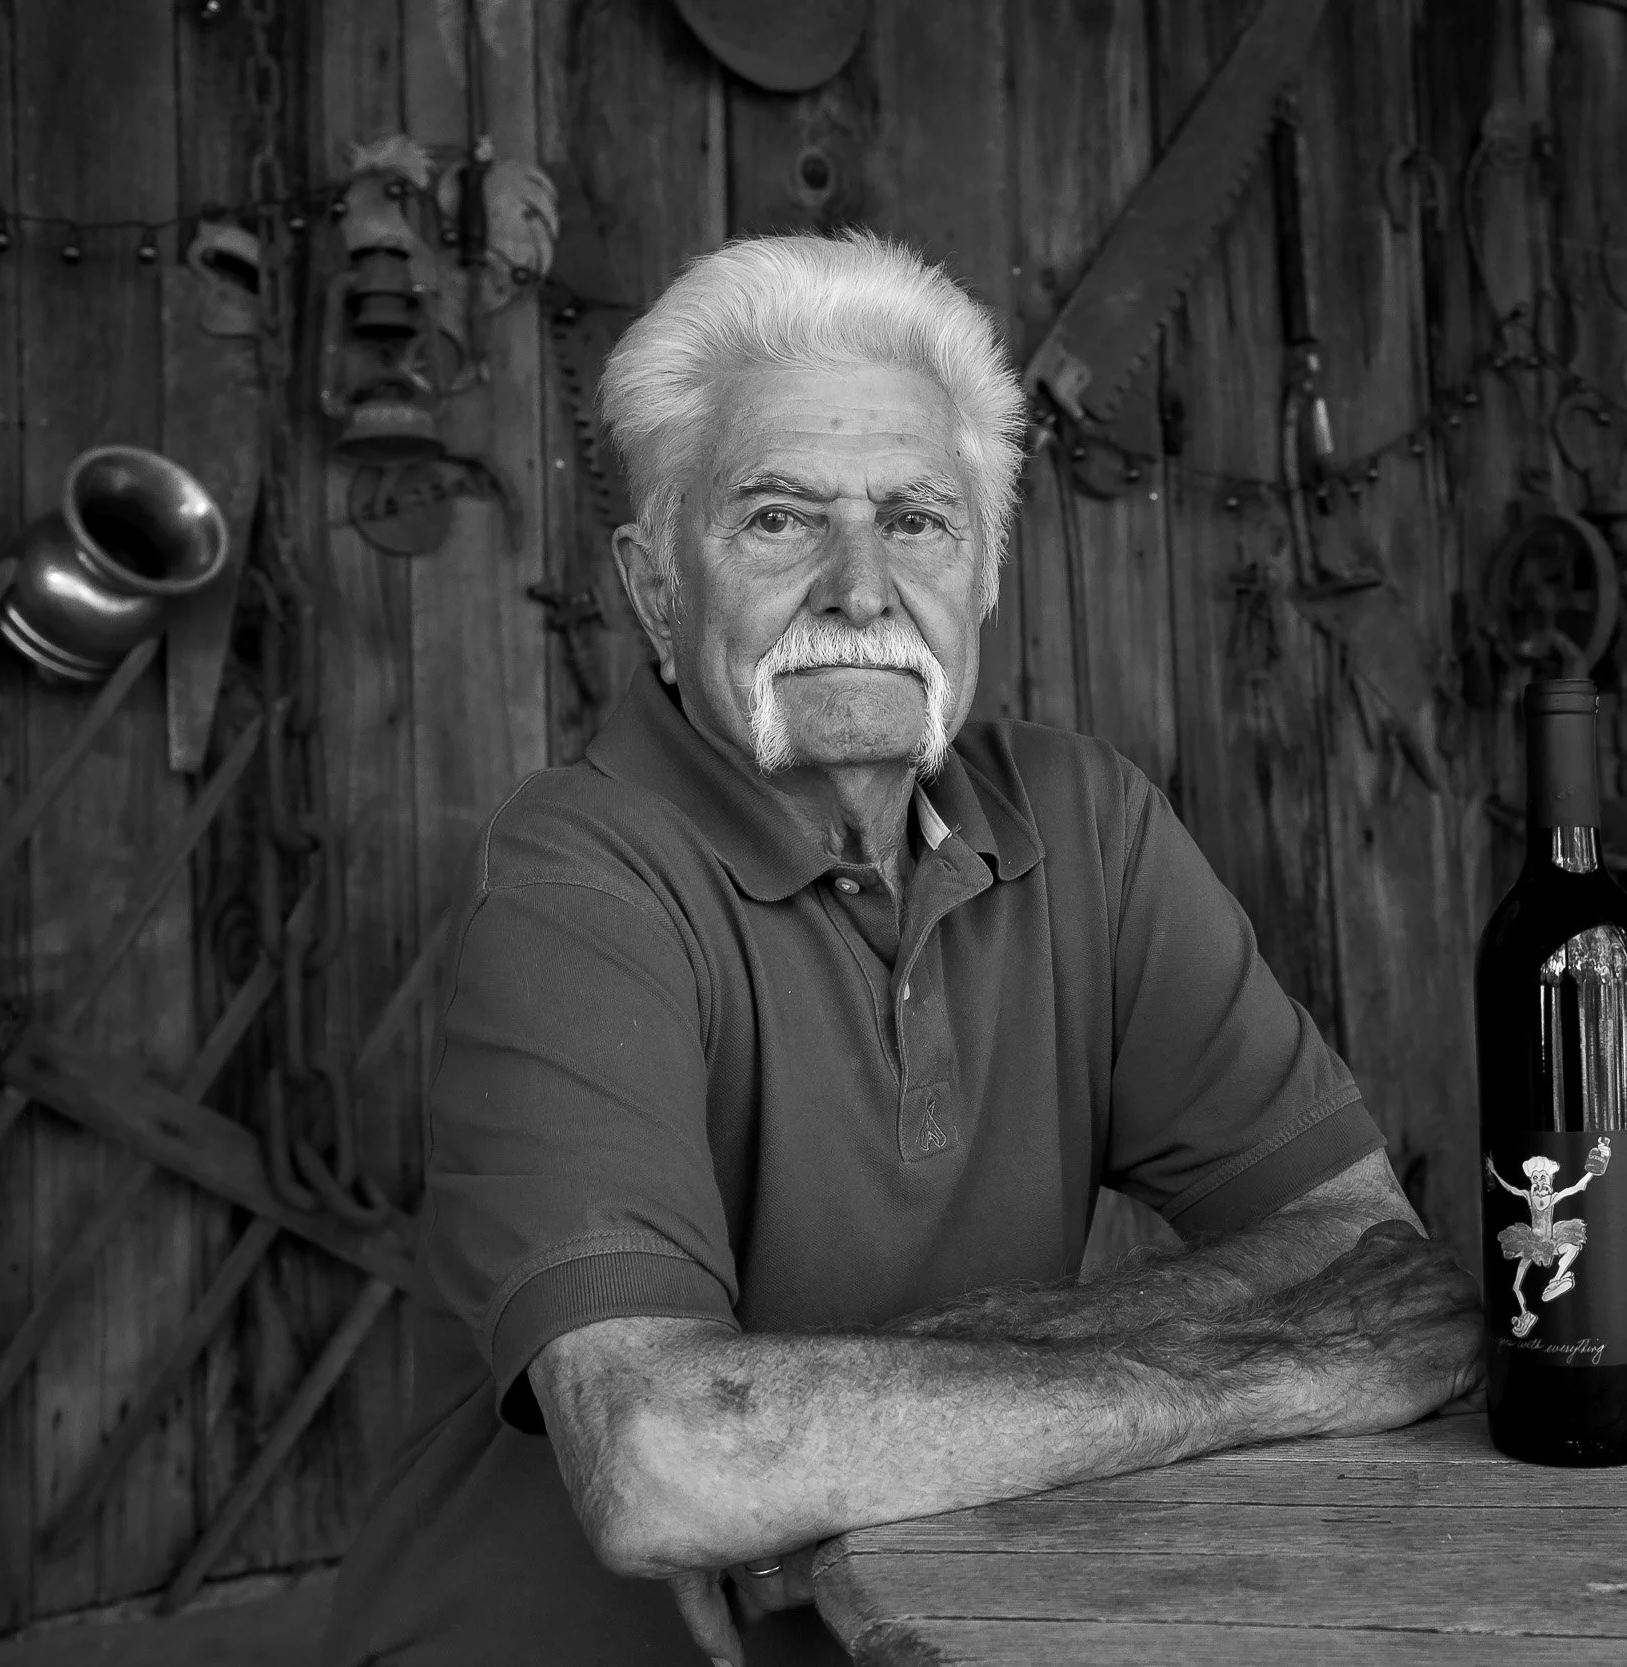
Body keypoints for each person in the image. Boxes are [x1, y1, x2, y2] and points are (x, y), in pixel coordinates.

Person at [322, 231, 1481, 1665]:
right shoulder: (578, 874)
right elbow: (668, 1465)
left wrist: (847, 1422)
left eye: (918, 520)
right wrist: (1266, 1376)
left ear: (984, 576)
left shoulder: (1087, 822)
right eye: (778, 520)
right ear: (653, 587)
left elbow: (1380, 1259)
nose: (860, 588)